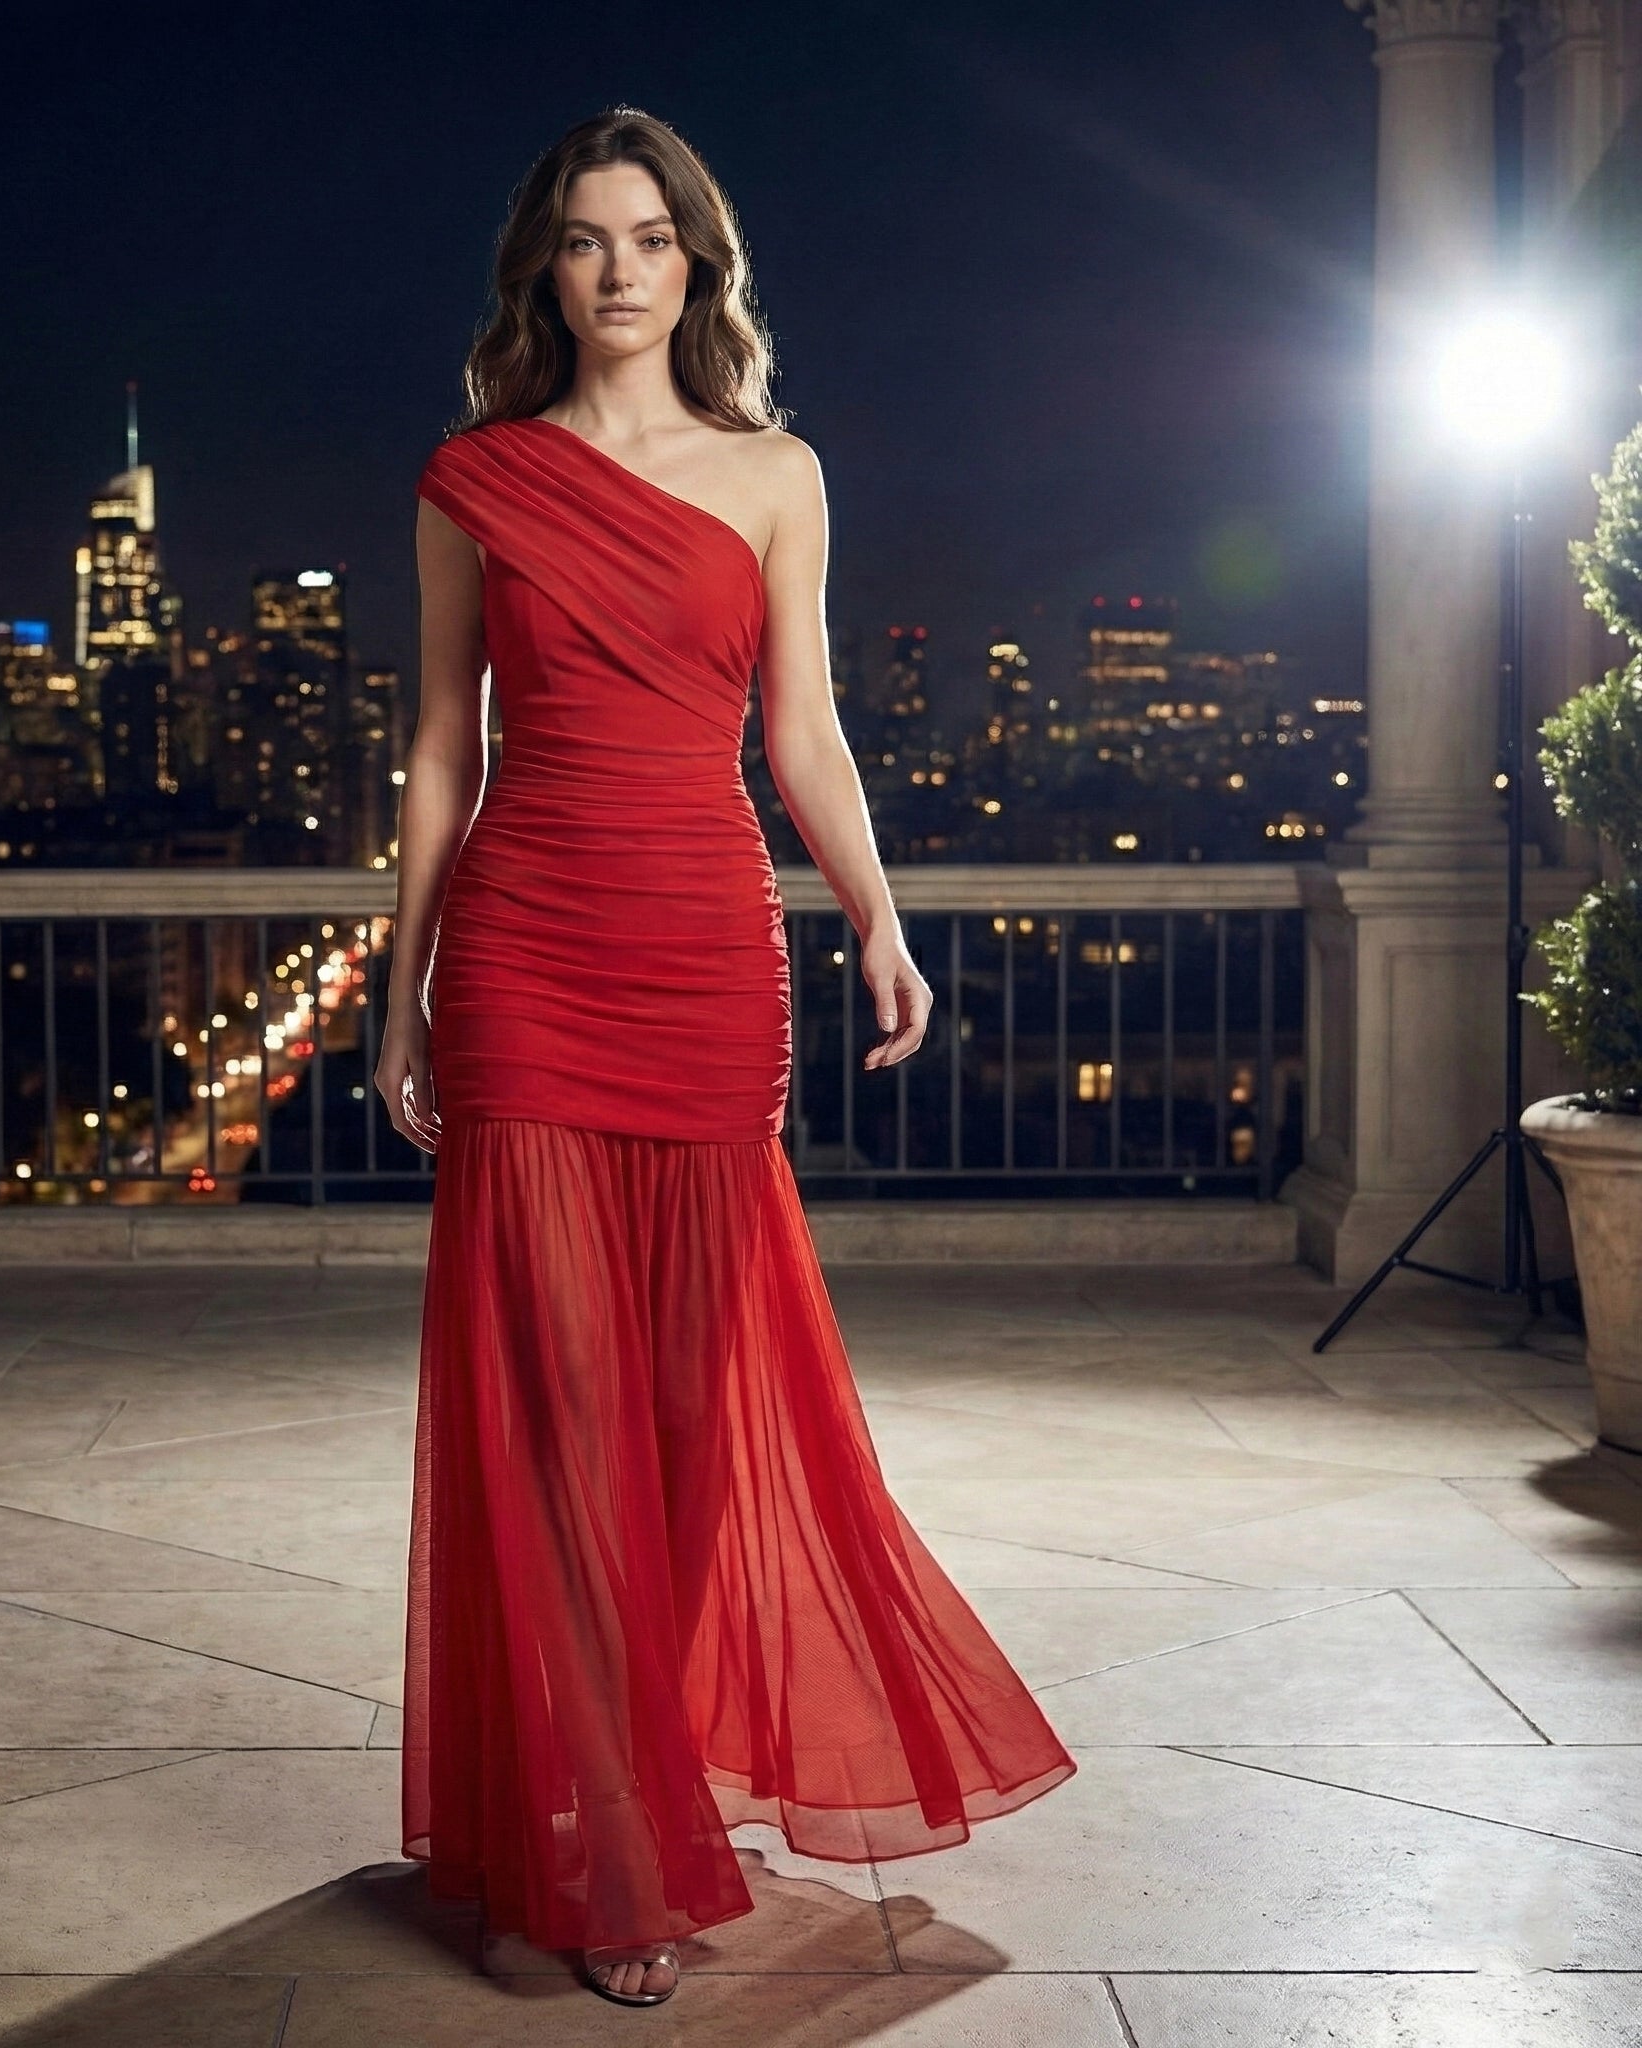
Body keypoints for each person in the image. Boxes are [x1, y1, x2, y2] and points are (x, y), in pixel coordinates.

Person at [375, 104, 1077, 2012]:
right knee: (558, 1414)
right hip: (527, 948)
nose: (618, 269)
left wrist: (877, 914)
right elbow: (445, 747)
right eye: (587, 239)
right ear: (546, 267)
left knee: (687, 1423)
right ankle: (594, 1846)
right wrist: (399, 984)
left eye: (652, 237)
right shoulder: (473, 480)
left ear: (698, 264)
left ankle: (639, 1772)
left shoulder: (780, 477)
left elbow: (807, 733)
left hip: (702, 952)